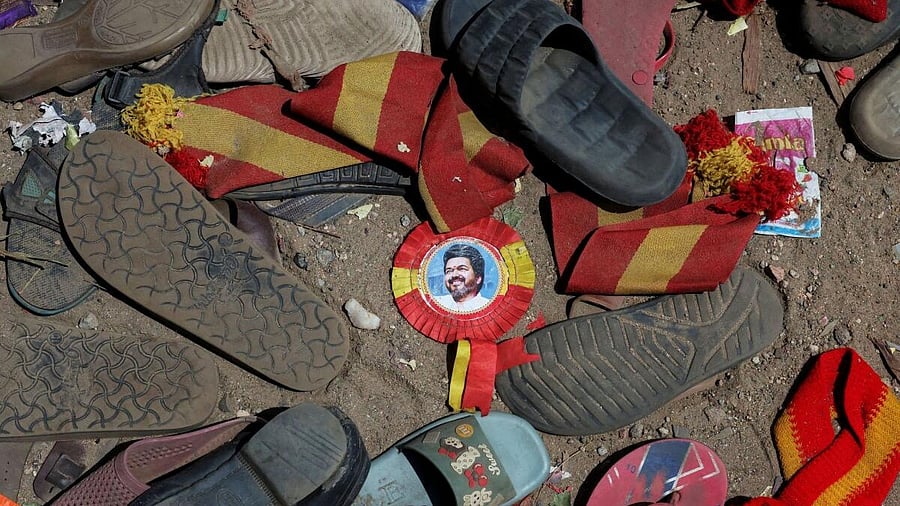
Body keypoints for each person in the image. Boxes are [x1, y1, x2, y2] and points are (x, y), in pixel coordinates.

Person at [434, 243, 491, 312]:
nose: (454, 275)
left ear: (478, 278)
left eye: (462, 269)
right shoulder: (435, 304)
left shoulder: (489, 307)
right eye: (449, 271)